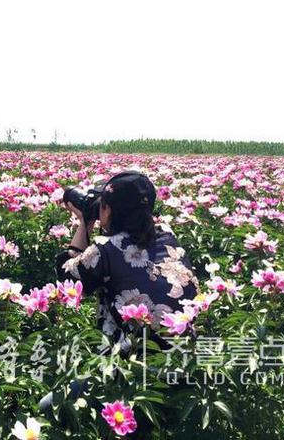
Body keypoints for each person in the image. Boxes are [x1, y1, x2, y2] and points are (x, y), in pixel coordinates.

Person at [39, 170, 199, 418]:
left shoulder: (105, 249)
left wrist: (84, 223)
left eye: (102, 205)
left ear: (108, 211)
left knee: (49, 408)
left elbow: (67, 278)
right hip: (185, 364)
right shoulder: (169, 237)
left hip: (131, 370)